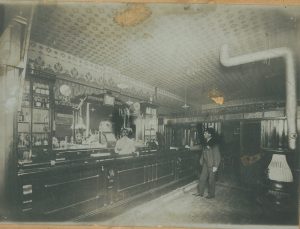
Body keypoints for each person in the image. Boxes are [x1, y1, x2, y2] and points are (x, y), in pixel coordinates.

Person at [194, 127, 221, 199]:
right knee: (202, 178)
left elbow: (217, 155)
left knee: (211, 180)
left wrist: (216, 166)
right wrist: (201, 160)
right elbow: (203, 153)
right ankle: (200, 192)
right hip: (206, 164)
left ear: (210, 134)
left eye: (205, 133)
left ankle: (211, 194)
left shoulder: (214, 143)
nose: (204, 134)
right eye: (204, 133)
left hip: (212, 165)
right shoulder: (205, 142)